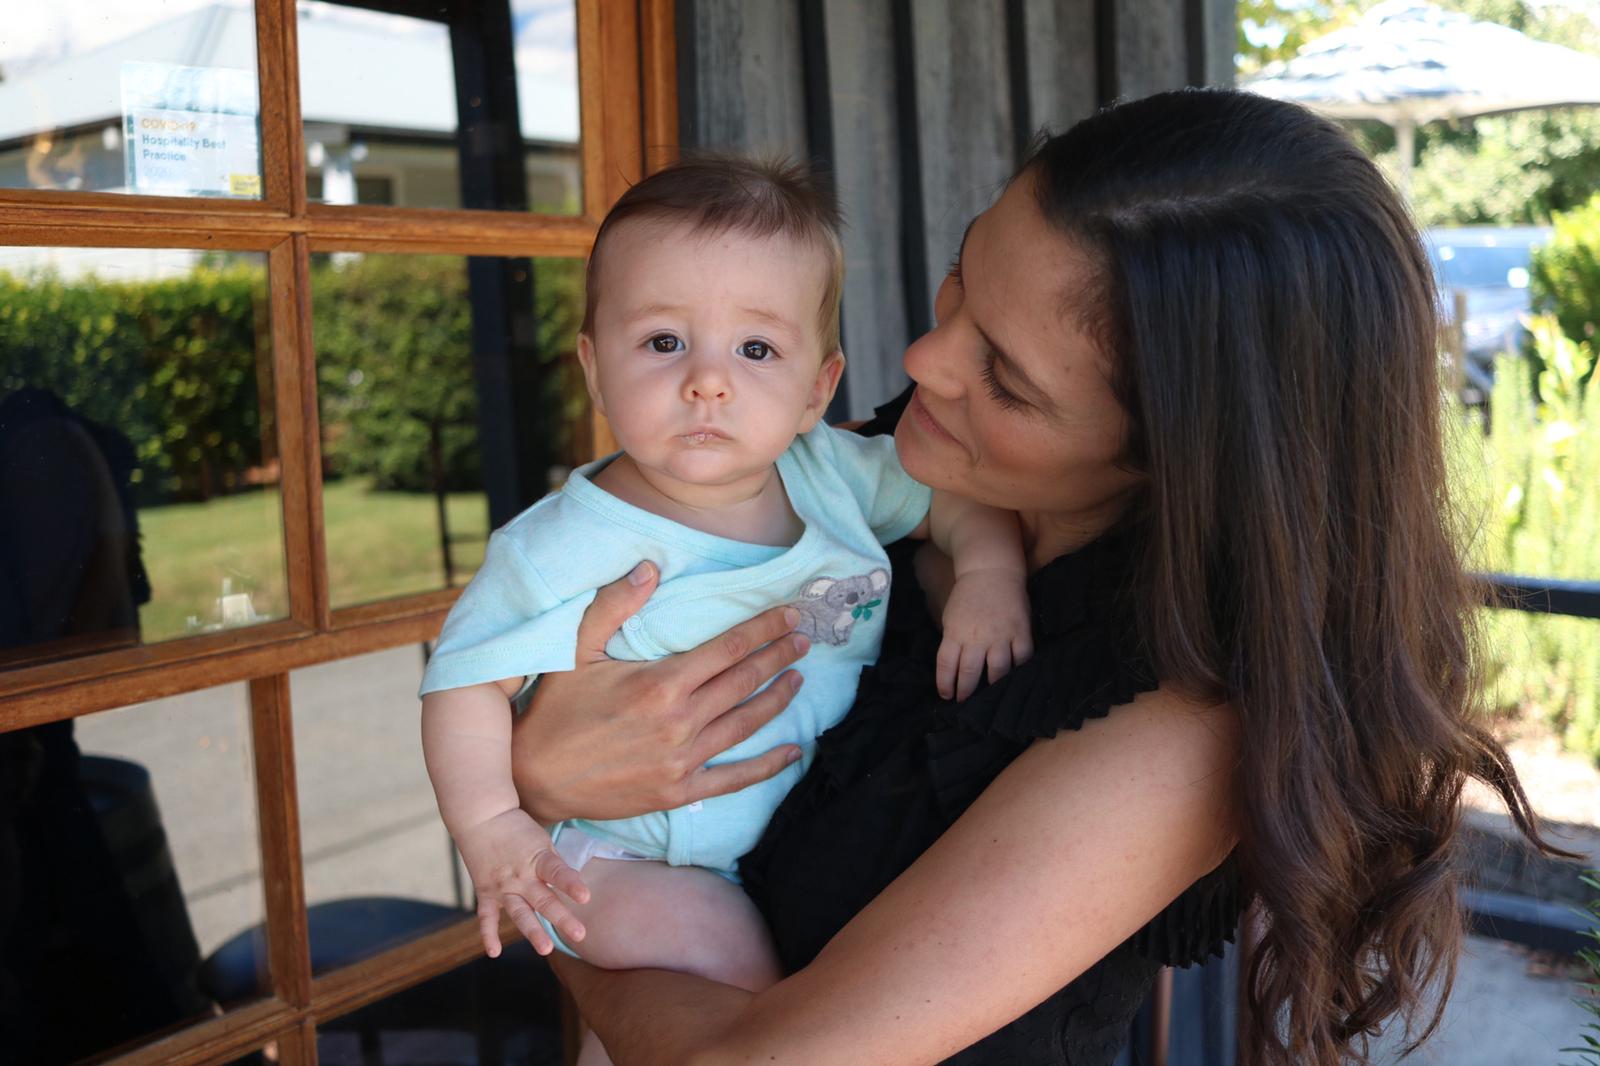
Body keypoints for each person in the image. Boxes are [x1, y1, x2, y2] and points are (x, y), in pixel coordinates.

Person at [502, 88, 1568, 1066]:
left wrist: (545, 881)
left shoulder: (1173, 720)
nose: (926, 360)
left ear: (1173, 458)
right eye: (961, 281)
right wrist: (538, 781)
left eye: (1004, 380)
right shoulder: (882, 472)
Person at [418, 158, 1033, 1065]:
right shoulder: (562, 544)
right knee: (747, 988)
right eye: (663, 342)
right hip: (626, 862)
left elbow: (956, 502)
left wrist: (987, 573)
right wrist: (493, 828)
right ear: (594, 368)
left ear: (817, 390)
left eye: (755, 350)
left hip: (752, 846)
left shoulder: (829, 472)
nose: (708, 382)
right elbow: (463, 682)